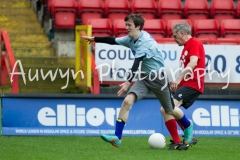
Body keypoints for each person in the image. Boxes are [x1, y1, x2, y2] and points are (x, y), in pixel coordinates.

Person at [82, 14, 193, 150]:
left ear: (138, 27)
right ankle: (117, 138)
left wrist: (128, 81)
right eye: (126, 25)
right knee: (127, 101)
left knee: (169, 109)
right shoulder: (131, 39)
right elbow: (113, 40)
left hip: (159, 79)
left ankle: (187, 125)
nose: (126, 28)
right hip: (145, 77)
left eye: (129, 25)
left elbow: (136, 63)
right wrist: (94, 39)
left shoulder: (144, 41)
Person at [160, 22, 205, 150]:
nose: (174, 39)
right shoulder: (186, 47)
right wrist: (179, 82)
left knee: (170, 107)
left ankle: (188, 127)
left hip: (193, 82)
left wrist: (178, 79)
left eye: (175, 36)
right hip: (186, 83)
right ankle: (177, 141)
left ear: (182, 33)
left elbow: (193, 63)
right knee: (165, 109)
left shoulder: (194, 42)